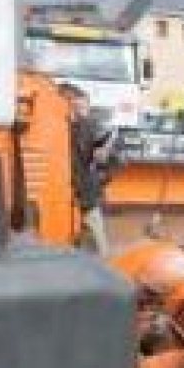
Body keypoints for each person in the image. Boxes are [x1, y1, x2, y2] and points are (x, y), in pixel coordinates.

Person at [63, 84, 117, 255]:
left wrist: (104, 154)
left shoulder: (90, 126)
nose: (80, 113)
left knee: (98, 248)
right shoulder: (57, 127)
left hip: (85, 197)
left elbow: (107, 154)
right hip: (64, 196)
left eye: (83, 108)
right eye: (75, 108)